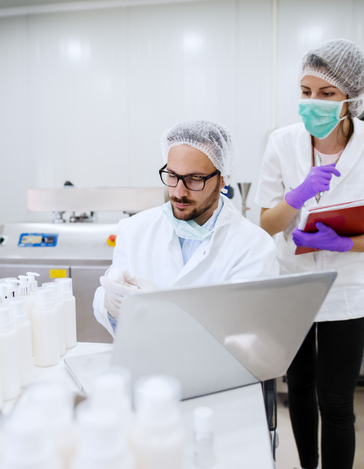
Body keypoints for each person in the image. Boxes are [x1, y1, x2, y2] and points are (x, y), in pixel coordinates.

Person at [255, 40, 364, 469]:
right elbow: (268, 224)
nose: (312, 102)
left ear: (351, 98)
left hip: (345, 289)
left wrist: (344, 243)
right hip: (291, 285)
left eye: (326, 94)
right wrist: (299, 194)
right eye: (305, 90)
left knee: (337, 401)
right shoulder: (282, 142)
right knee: (300, 388)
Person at [93, 119, 279, 336]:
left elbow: (245, 331)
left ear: (222, 179)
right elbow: (113, 314)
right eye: (172, 175)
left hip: (217, 368)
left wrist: (164, 312)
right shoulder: (134, 230)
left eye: (194, 179)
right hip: (147, 363)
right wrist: (114, 309)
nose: (179, 192)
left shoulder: (254, 246)